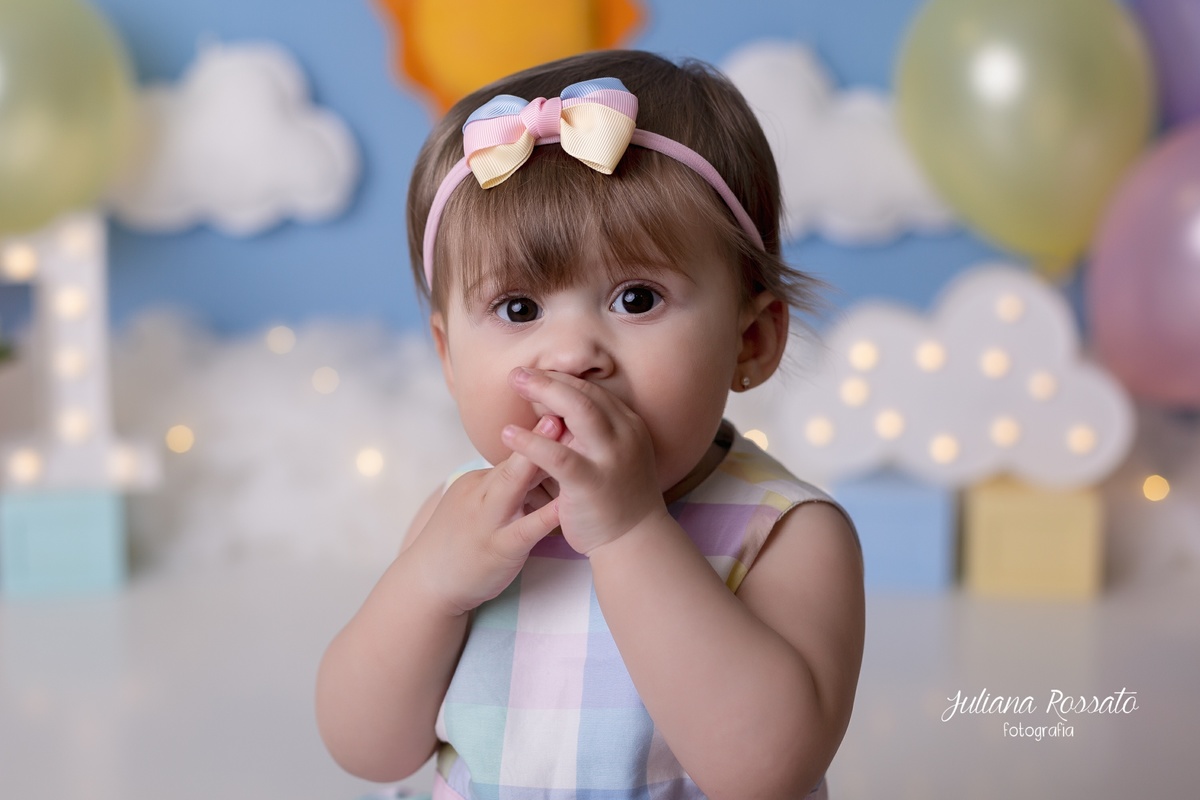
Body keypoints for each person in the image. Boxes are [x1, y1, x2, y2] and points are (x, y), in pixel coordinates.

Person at [316, 50, 865, 800]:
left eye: (636, 299)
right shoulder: (461, 521)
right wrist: (428, 586)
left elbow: (765, 771)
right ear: (447, 355)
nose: (572, 354)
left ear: (752, 341)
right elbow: (366, 748)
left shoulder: (784, 534)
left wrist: (631, 531)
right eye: (518, 309)